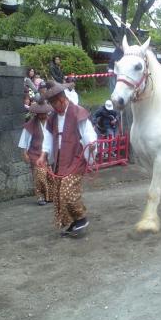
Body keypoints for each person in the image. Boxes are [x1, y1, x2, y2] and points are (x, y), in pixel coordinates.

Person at [36, 81, 97, 235]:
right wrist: (43, 155)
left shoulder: (78, 112)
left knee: (67, 191)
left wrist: (91, 145)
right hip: (60, 160)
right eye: (51, 104)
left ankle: (81, 219)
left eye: (55, 104)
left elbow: (88, 132)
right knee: (58, 194)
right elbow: (48, 138)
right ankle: (72, 223)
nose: (54, 108)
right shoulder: (53, 118)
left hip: (75, 158)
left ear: (62, 100)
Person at [18, 101, 54, 205]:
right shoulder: (30, 125)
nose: (43, 115)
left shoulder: (50, 122)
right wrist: (24, 153)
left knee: (50, 176)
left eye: (45, 113)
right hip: (35, 154)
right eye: (41, 113)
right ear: (37, 114)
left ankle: (50, 196)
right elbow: (24, 140)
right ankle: (40, 197)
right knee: (40, 175)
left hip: (47, 154)